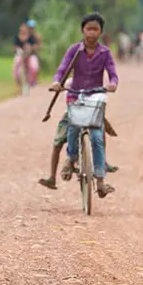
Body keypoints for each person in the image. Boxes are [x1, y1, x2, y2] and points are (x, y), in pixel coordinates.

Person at [40, 13, 119, 198]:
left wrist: (113, 83)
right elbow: (62, 69)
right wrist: (56, 82)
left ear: (100, 31)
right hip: (75, 96)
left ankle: (100, 181)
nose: (92, 33)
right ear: (82, 30)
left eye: (95, 29)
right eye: (88, 29)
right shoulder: (74, 51)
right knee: (73, 128)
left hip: (96, 98)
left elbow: (112, 73)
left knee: (98, 138)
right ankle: (71, 158)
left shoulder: (105, 53)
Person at [13, 23, 39, 88]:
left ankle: (32, 81)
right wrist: (19, 50)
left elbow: (36, 46)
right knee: (17, 63)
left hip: (30, 55)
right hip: (20, 55)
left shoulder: (31, 38)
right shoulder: (17, 38)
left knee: (34, 66)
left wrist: (30, 48)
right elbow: (15, 47)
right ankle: (17, 80)